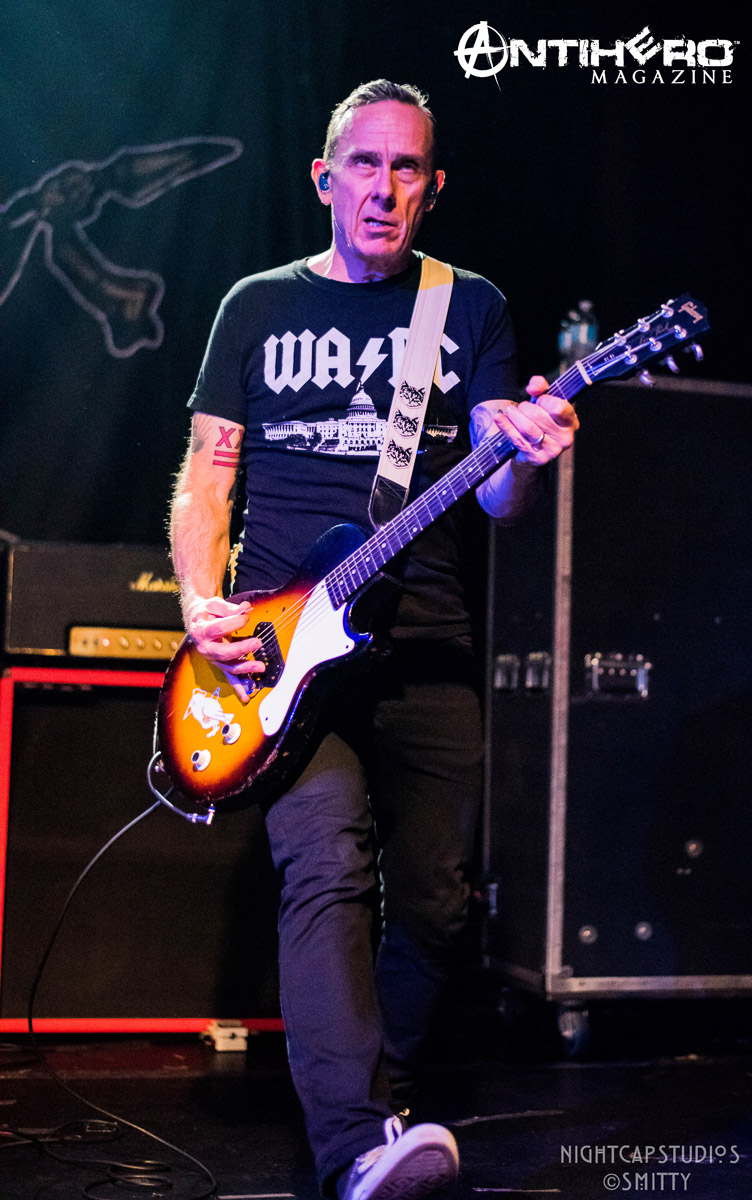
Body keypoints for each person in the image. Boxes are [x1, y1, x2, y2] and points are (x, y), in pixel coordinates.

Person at [170, 80, 578, 1200]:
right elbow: (207, 475)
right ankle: (355, 1146)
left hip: (426, 646)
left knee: (438, 902)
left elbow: (497, 500)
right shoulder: (255, 304)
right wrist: (201, 602)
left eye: (406, 169)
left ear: (432, 189)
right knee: (328, 864)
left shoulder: (469, 307)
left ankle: (374, 1102)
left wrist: (525, 453)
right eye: (364, 163)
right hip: (281, 652)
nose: (383, 188)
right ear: (325, 177)